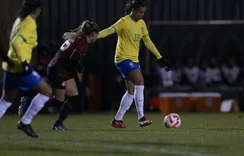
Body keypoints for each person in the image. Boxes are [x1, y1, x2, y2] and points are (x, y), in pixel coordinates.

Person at [98, 0, 173, 128]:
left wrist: (160, 57)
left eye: (143, 12)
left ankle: (117, 120)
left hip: (134, 60)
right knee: (140, 80)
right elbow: (109, 30)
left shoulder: (142, 23)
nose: (142, 15)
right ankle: (141, 117)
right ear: (133, 10)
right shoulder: (124, 21)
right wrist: (94, 36)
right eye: (140, 12)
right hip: (122, 58)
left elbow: (147, 42)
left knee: (131, 92)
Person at [0, 0, 52, 138]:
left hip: (10, 66)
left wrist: (37, 44)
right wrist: (24, 64)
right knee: (46, 91)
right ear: (37, 10)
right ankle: (25, 122)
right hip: (19, 67)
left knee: (6, 100)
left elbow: (20, 40)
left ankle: (25, 122)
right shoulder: (30, 23)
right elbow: (17, 42)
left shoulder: (19, 19)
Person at [47, 20, 99, 130]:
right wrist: (79, 66)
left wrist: (76, 67)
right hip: (58, 69)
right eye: (97, 35)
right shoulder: (82, 42)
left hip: (65, 69)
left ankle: (58, 124)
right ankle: (30, 103)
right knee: (58, 102)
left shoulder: (79, 39)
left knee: (74, 96)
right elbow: (73, 58)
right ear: (93, 34)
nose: (97, 37)